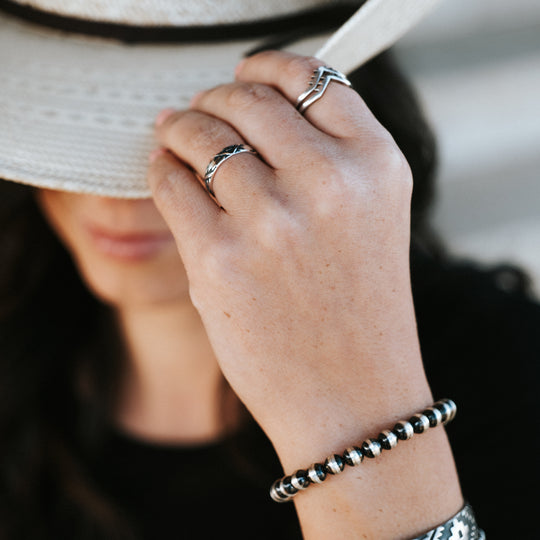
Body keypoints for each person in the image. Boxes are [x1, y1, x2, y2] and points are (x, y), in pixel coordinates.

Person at [0, 1, 538, 538]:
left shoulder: (505, 363)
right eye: (77, 144)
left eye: (207, 137)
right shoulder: (19, 362)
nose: (114, 200)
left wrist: (356, 405)